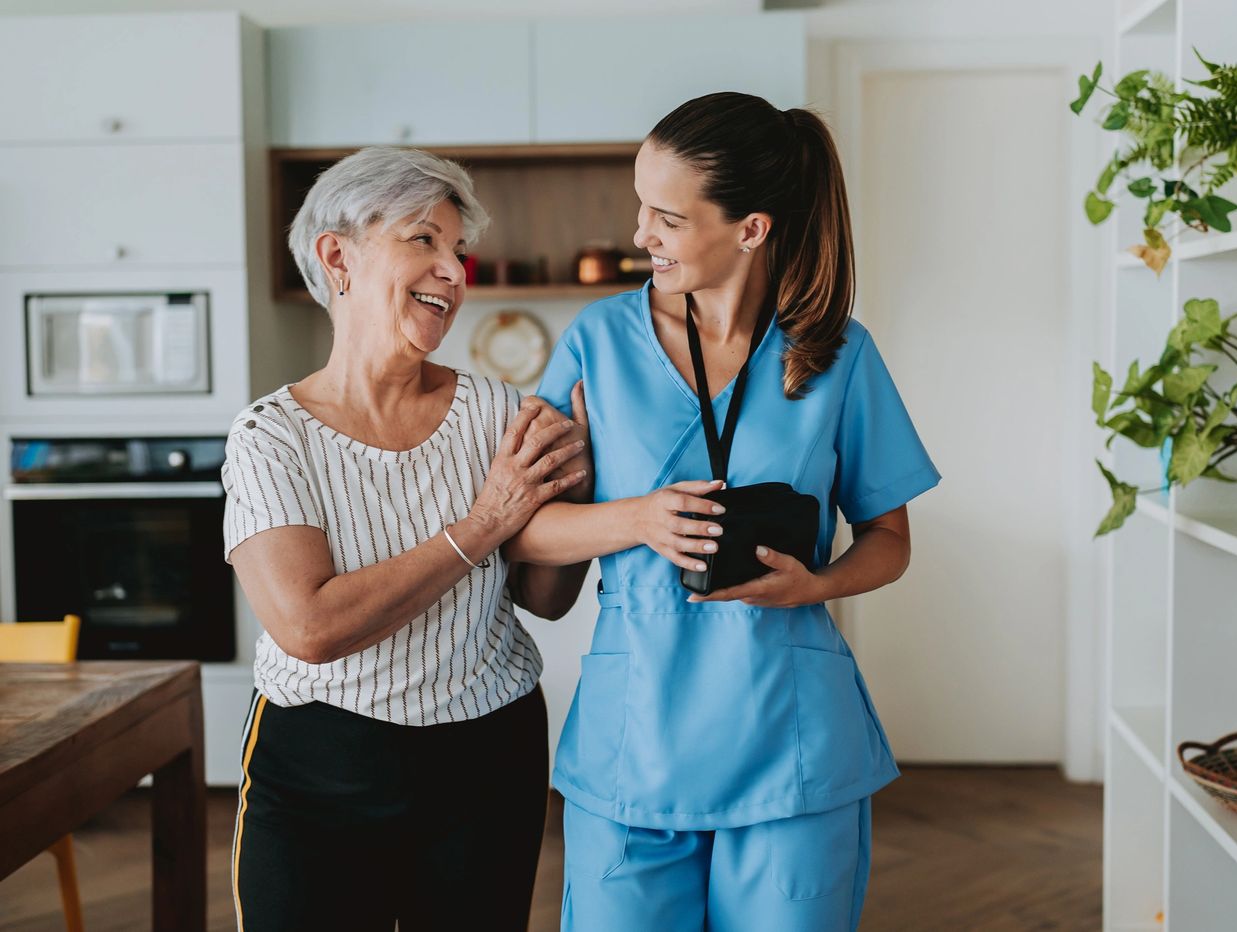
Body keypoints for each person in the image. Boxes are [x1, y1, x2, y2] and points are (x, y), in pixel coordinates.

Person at [506, 92, 942, 931]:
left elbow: (889, 540)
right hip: (635, 741)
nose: (641, 234)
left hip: (791, 741)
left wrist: (812, 585)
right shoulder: (596, 342)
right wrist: (633, 518)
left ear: (750, 228)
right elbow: (521, 534)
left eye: (666, 216)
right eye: (641, 207)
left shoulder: (838, 353)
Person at [222, 145, 590, 932]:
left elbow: (544, 602)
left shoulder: (501, 414)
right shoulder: (269, 436)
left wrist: (581, 495)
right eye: (423, 239)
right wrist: (486, 522)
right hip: (319, 764)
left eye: (458, 250)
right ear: (337, 256)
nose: (454, 271)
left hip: (489, 755)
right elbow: (310, 628)